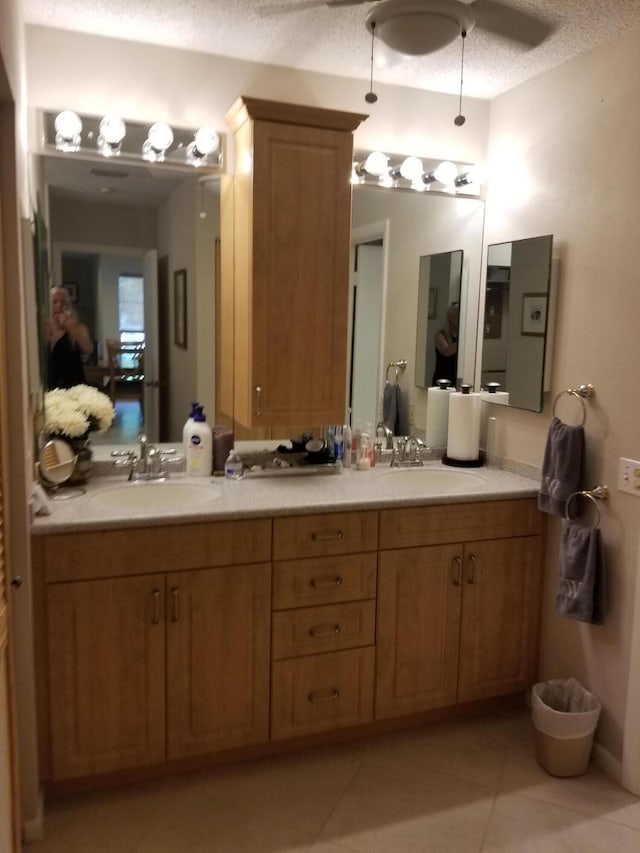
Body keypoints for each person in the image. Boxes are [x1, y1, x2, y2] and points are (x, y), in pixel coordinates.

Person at [45, 286, 94, 388]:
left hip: (74, 383)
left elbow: (89, 349)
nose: (59, 305)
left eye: (62, 302)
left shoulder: (77, 326)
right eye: (55, 302)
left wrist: (72, 328)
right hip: (50, 383)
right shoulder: (44, 326)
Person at [431, 302, 459, 387]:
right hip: (442, 379)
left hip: (456, 378)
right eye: (457, 315)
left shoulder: (461, 336)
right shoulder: (440, 335)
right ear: (450, 318)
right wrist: (463, 342)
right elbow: (446, 351)